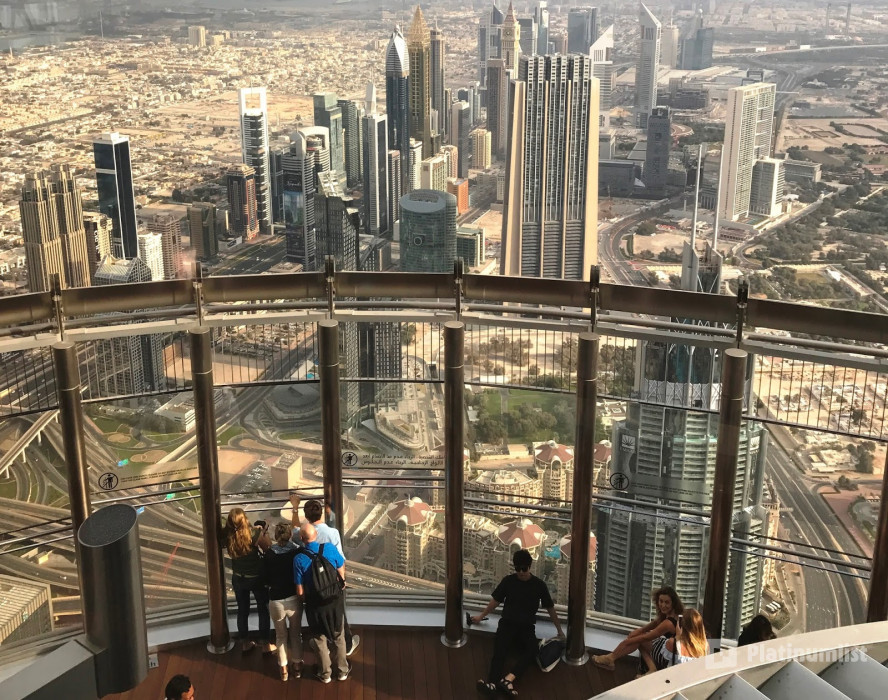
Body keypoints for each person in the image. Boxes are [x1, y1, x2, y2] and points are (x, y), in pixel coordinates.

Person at [473, 549, 564, 697]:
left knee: (532, 650)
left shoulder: (539, 585)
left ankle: (509, 679)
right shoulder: (508, 581)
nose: (521, 572)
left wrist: (559, 630)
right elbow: (495, 601)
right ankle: (492, 683)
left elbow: (550, 608)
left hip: (526, 627)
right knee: (499, 651)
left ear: (530, 567)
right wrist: (481, 616)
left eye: (524, 569)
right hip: (507, 623)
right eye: (517, 569)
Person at [299, 496, 360, 656]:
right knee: (338, 614)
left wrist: (293, 508)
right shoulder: (332, 533)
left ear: (306, 516)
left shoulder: (301, 533)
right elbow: (340, 559)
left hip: (311, 583)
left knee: (317, 615)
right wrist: (342, 579)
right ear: (321, 514)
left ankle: (320, 644)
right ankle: (346, 645)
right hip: (331, 582)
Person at [294, 522, 350, 684]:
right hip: (334, 601)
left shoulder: (299, 559)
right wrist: (342, 582)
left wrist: (306, 600)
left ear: (302, 539)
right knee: (339, 635)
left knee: (319, 639)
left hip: (315, 605)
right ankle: (342, 671)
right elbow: (340, 566)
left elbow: (300, 591)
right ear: (316, 536)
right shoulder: (329, 549)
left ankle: (325, 674)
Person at [592, 585, 683, 674]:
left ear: (673, 603)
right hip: (670, 651)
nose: (663, 605)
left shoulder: (669, 623)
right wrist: (639, 631)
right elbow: (654, 624)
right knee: (638, 636)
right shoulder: (670, 615)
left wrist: (628, 642)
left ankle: (611, 658)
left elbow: (646, 638)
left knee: (639, 639)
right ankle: (652, 668)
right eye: (661, 601)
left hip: (669, 657)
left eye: (667, 602)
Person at [223, 507, 272, 652]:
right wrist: (264, 531)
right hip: (256, 578)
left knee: (242, 610)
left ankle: (245, 643)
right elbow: (268, 547)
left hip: (238, 577)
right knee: (263, 609)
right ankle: (264, 644)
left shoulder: (227, 535)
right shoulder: (253, 534)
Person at [265, 521, 303, 681]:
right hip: (294, 597)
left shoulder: (269, 554)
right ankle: (297, 667)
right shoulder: (297, 552)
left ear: (276, 536)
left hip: (276, 600)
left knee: (281, 636)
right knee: (295, 634)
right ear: (290, 535)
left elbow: (265, 579)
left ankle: (284, 670)